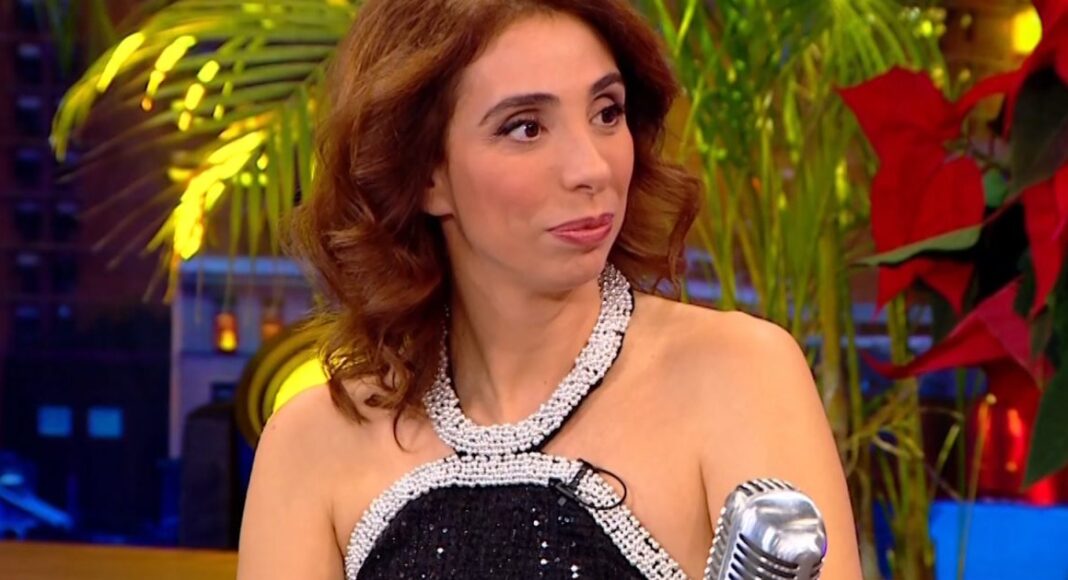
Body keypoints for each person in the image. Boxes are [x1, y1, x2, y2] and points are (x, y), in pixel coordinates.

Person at [237, 0, 862, 578]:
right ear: (426, 174)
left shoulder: (737, 375)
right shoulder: (311, 444)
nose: (591, 168)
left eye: (607, 113)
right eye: (525, 128)